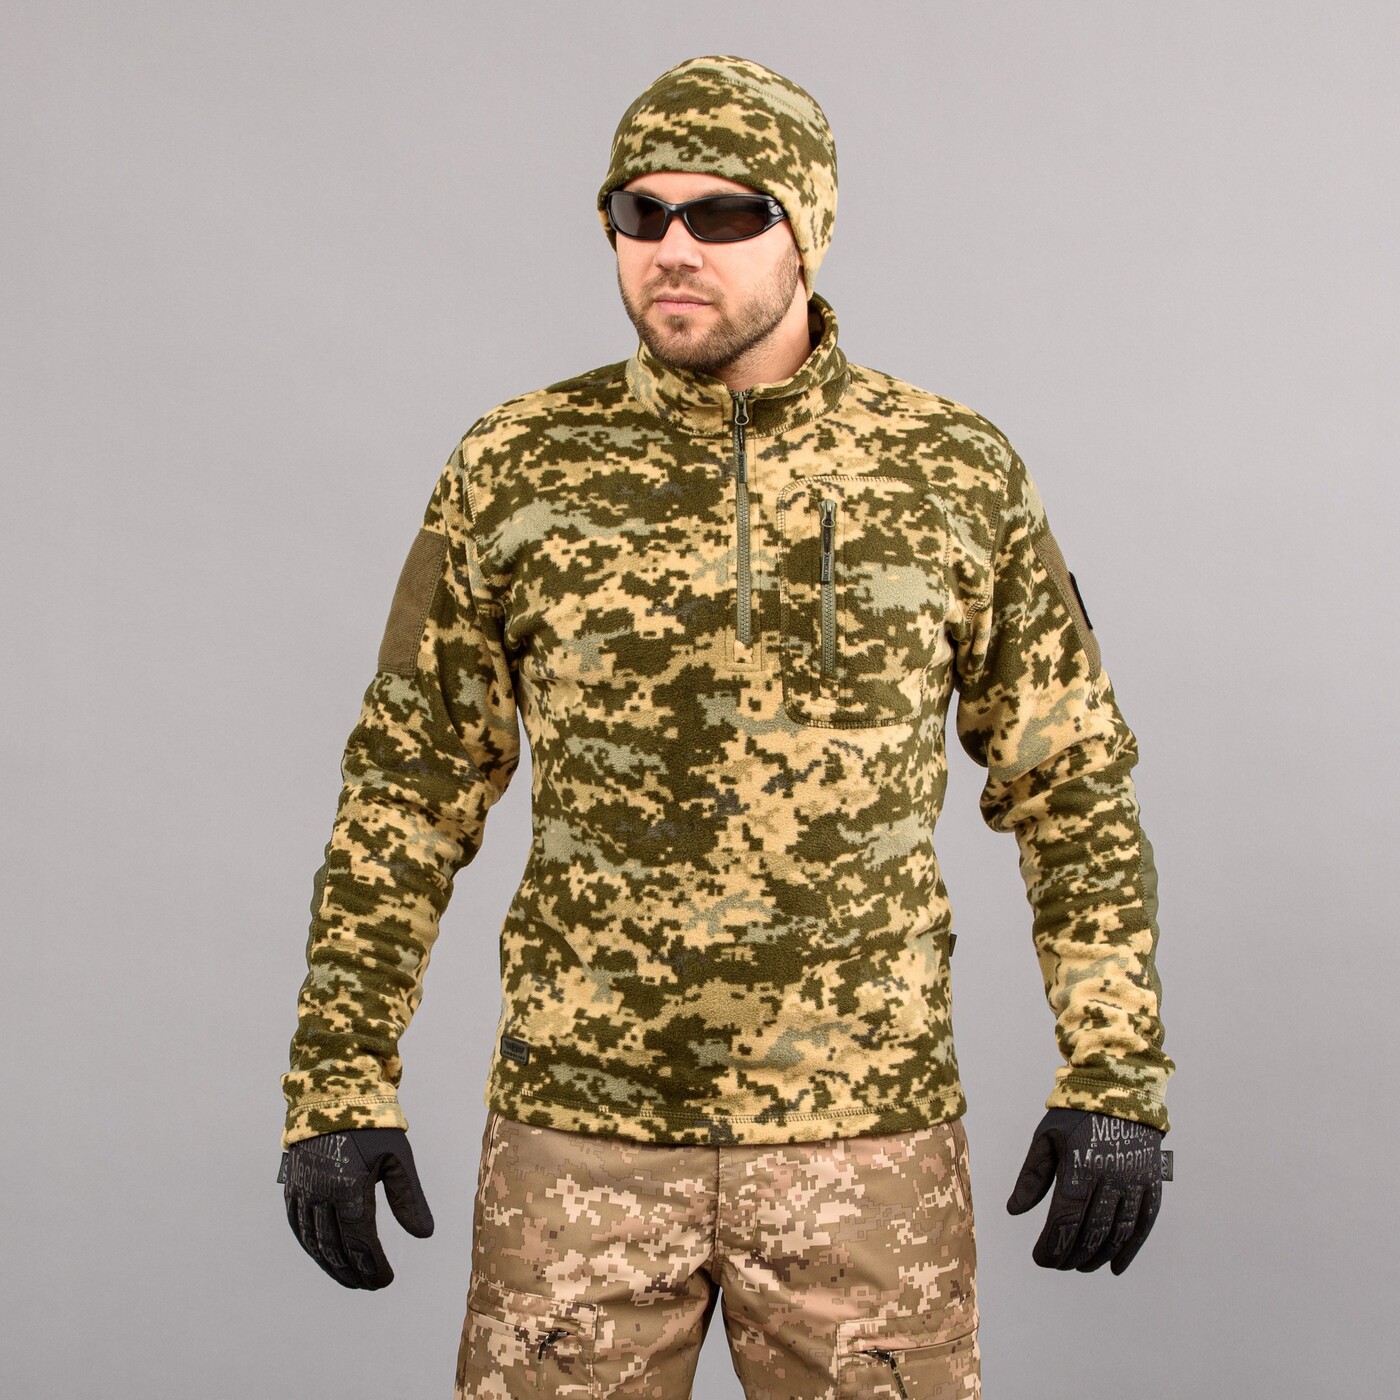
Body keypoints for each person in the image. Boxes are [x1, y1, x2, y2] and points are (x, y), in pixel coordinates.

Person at [278, 55, 1174, 1399]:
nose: (674, 248)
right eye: (640, 214)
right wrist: (338, 1083)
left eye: (724, 213)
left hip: (863, 1153)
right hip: (578, 1144)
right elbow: (408, 783)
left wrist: (1116, 1072)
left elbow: (1073, 784)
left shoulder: (952, 471)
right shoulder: (516, 466)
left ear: (807, 227)